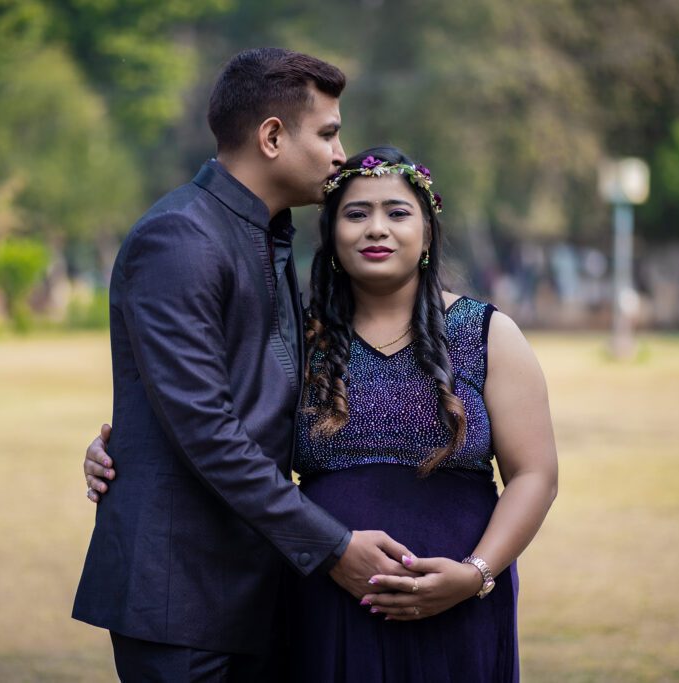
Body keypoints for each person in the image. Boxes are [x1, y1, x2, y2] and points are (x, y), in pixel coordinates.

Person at [85, 146, 559, 681]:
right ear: (332, 236)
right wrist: (116, 448)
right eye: (356, 214)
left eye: (397, 213)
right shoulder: (296, 339)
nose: (376, 228)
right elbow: (211, 423)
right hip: (324, 596)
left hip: (458, 600)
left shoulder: (488, 333)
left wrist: (475, 574)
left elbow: (535, 474)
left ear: (427, 233)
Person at [72, 50, 419, 683]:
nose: (341, 154)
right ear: (272, 137)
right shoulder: (180, 238)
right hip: (182, 597)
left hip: (257, 586)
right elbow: (206, 429)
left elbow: (267, 397)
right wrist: (333, 547)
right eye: (328, 133)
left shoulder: (265, 235)